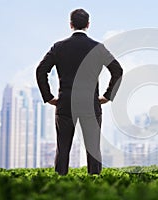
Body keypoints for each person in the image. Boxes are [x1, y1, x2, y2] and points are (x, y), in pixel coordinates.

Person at [36, 8, 123, 175]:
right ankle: (95, 185)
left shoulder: (59, 47)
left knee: (63, 148)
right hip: (91, 103)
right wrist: (107, 96)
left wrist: (49, 97)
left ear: (70, 24)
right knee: (93, 150)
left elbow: (41, 70)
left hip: (65, 103)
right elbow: (117, 70)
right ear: (88, 25)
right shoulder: (98, 48)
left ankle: (60, 185)